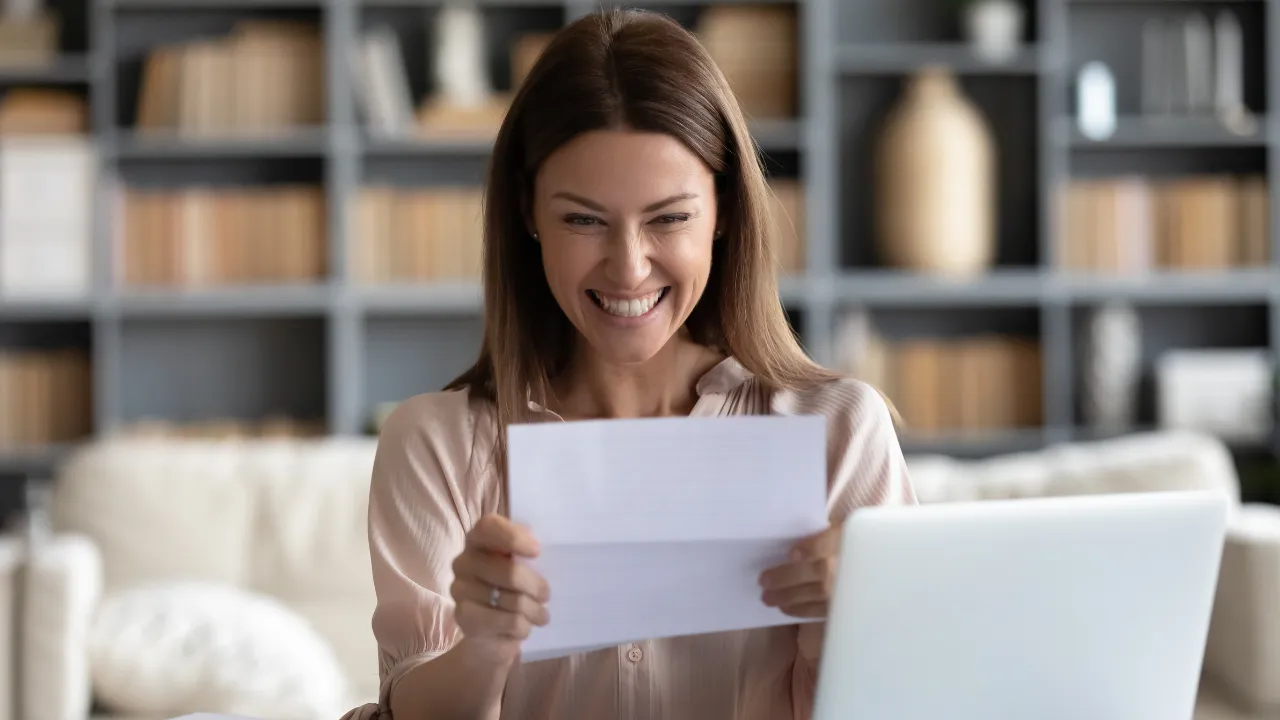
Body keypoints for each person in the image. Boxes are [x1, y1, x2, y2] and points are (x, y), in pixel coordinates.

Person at [342, 8, 916, 720]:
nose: (629, 268)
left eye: (669, 218)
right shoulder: (436, 444)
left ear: (725, 210)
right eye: (583, 219)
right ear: (528, 214)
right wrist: (485, 648)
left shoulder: (839, 432)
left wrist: (850, 622)